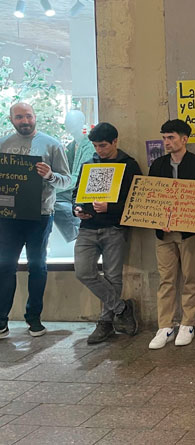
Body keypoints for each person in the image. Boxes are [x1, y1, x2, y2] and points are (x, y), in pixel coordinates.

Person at [0, 103, 70, 339]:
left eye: (28, 115)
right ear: (11, 120)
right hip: (8, 216)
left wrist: (50, 175)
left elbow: (67, 181)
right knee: (4, 266)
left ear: (35, 116)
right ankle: (1, 320)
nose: (24, 120)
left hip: (40, 215)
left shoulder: (52, 144)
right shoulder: (3, 144)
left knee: (37, 266)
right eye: (19, 117)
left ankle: (34, 319)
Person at [72, 122, 142, 344]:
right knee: (83, 272)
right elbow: (77, 194)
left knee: (113, 277)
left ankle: (105, 323)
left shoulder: (129, 165)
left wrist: (110, 207)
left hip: (114, 227)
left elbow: (137, 200)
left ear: (115, 142)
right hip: (87, 227)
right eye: (95, 146)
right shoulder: (88, 165)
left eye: (103, 145)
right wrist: (77, 208)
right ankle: (122, 308)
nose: (99, 150)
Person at [148, 119, 195, 349]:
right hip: (163, 233)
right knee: (165, 279)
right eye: (164, 138)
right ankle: (164, 326)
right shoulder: (158, 165)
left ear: (184, 139)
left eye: (171, 137)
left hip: (189, 232)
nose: (167, 142)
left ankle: (188, 323)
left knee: (190, 277)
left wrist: (193, 225)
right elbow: (151, 196)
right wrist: (158, 220)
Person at [53, 109, 94, 243]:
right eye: (67, 121)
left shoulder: (89, 146)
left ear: (82, 122)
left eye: (72, 121)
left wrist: (55, 187)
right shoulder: (71, 146)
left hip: (81, 191)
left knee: (52, 200)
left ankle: (75, 234)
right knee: (47, 201)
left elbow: (80, 176)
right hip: (69, 189)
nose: (69, 125)